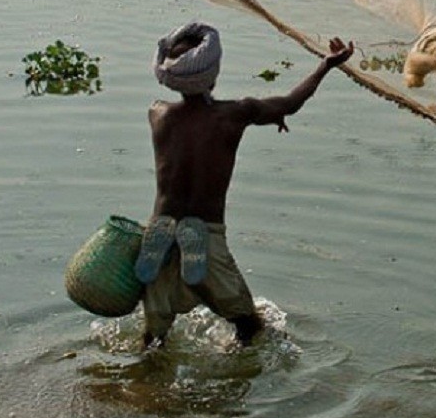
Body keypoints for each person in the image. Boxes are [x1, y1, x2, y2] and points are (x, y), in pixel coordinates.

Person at [135, 22, 354, 350]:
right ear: (214, 72)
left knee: (154, 339)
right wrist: (326, 64)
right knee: (250, 327)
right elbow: (291, 102)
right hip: (205, 232)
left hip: (160, 228)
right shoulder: (234, 115)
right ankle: (235, 377)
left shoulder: (158, 115)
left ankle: (146, 380)